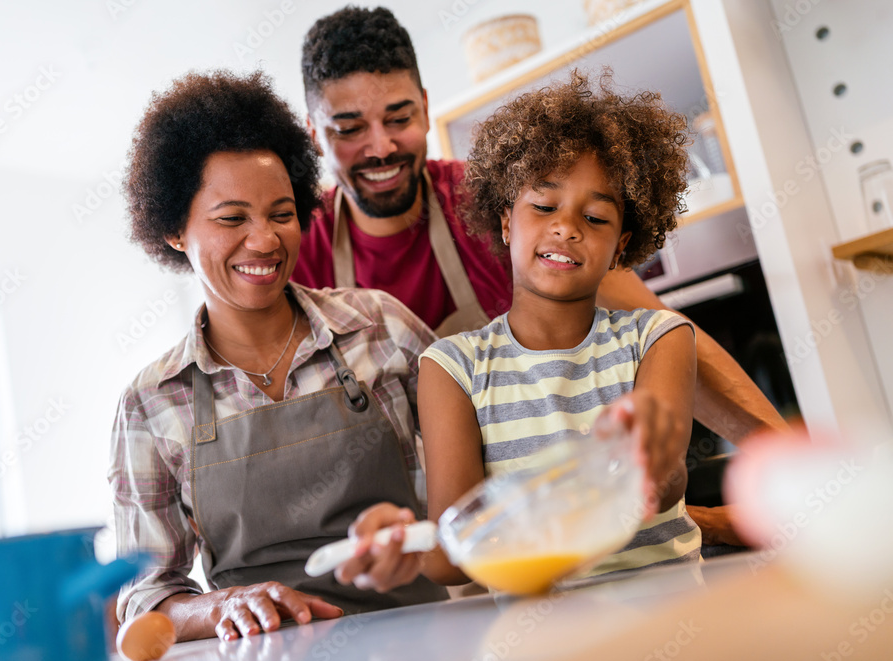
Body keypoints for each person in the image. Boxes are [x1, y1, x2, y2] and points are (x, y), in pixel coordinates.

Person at [292, 6, 787, 546]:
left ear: (427, 109)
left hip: (553, 524)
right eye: (349, 129)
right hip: (417, 543)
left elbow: (661, 332)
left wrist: (793, 467)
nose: (381, 146)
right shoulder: (301, 250)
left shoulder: (493, 207)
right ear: (314, 133)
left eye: (399, 118)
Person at [109, 69, 447, 642]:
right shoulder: (151, 401)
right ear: (174, 230)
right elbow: (146, 593)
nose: (265, 239)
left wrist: (425, 538)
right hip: (265, 654)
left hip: (420, 638)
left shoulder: (381, 327)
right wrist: (219, 607)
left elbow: (484, 484)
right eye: (232, 218)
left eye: (282, 214)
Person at [335, 72, 701, 592]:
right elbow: (453, 550)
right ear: (506, 221)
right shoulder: (451, 367)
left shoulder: (659, 337)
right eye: (544, 206)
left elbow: (663, 486)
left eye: (596, 218)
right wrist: (406, 547)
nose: (566, 227)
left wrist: (646, 455)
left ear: (622, 246)